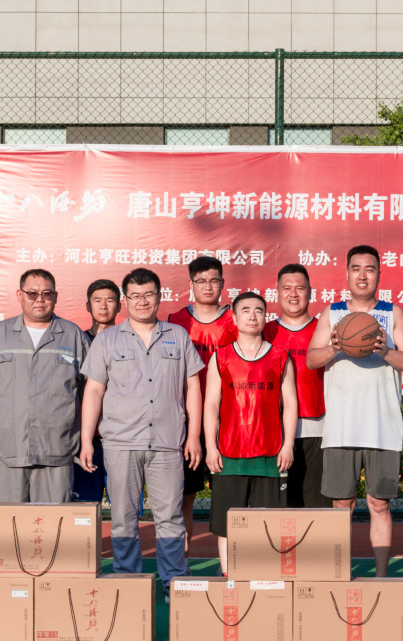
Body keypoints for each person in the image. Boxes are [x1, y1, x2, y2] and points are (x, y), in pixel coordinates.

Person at [80, 268, 204, 603]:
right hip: (120, 443)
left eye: (149, 294)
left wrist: (193, 435)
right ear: (126, 300)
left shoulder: (177, 335)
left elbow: (193, 386)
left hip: (167, 442)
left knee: (170, 518)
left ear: (159, 297)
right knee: (123, 519)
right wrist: (87, 439)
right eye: (135, 296)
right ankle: (128, 582)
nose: (142, 301)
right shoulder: (107, 340)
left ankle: (173, 582)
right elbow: (94, 390)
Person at [307, 245, 403, 578]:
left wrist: (384, 351)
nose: (362, 275)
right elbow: (312, 359)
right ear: (346, 274)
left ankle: (381, 577)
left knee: (379, 504)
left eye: (369, 269)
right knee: (341, 505)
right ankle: (339, 573)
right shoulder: (332, 313)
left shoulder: (393, 313)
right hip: (341, 426)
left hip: (382, 426)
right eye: (356, 268)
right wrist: (335, 347)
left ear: (379, 274)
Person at [0, 269, 90, 503]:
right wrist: (13, 403)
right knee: (8, 521)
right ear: (20, 295)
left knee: (53, 522)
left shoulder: (73, 336)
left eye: (47, 293)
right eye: (32, 293)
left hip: (57, 447)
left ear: (55, 297)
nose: (40, 299)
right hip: (11, 447)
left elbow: (87, 386)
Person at [204, 292, 298, 577]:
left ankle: (263, 577)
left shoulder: (280, 357)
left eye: (259, 310)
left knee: (268, 524)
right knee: (226, 523)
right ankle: (228, 575)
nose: (252, 315)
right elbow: (211, 405)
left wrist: (288, 445)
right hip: (229, 453)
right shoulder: (221, 357)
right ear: (234, 318)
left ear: (265, 317)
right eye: (245, 310)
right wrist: (211, 447)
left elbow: (290, 404)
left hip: (270, 454)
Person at [168, 256, 237, 555]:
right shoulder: (175, 321)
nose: (208, 286)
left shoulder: (236, 319)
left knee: (232, 499)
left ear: (222, 283)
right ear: (191, 284)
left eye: (214, 281)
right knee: (184, 498)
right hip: (187, 421)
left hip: (229, 419)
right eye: (201, 281)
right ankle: (180, 563)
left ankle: (232, 565)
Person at [263, 264, 332, 508]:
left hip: (318, 430)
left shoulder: (323, 330)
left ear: (310, 292)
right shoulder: (265, 331)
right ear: (277, 292)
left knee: (317, 506)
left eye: (300, 288)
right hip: (276, 434)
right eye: (287, 288)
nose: (293, 294)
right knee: (282, 508)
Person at [71, 279, 121, 503]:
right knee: (84, 508)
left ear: (119, 305)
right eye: (97, 300)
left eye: (110, 300)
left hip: (120, 437)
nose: (103, 306)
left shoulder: (130, 341)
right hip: (85, 437)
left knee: (125, 506)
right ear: (88, 306)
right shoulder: (77, 342)